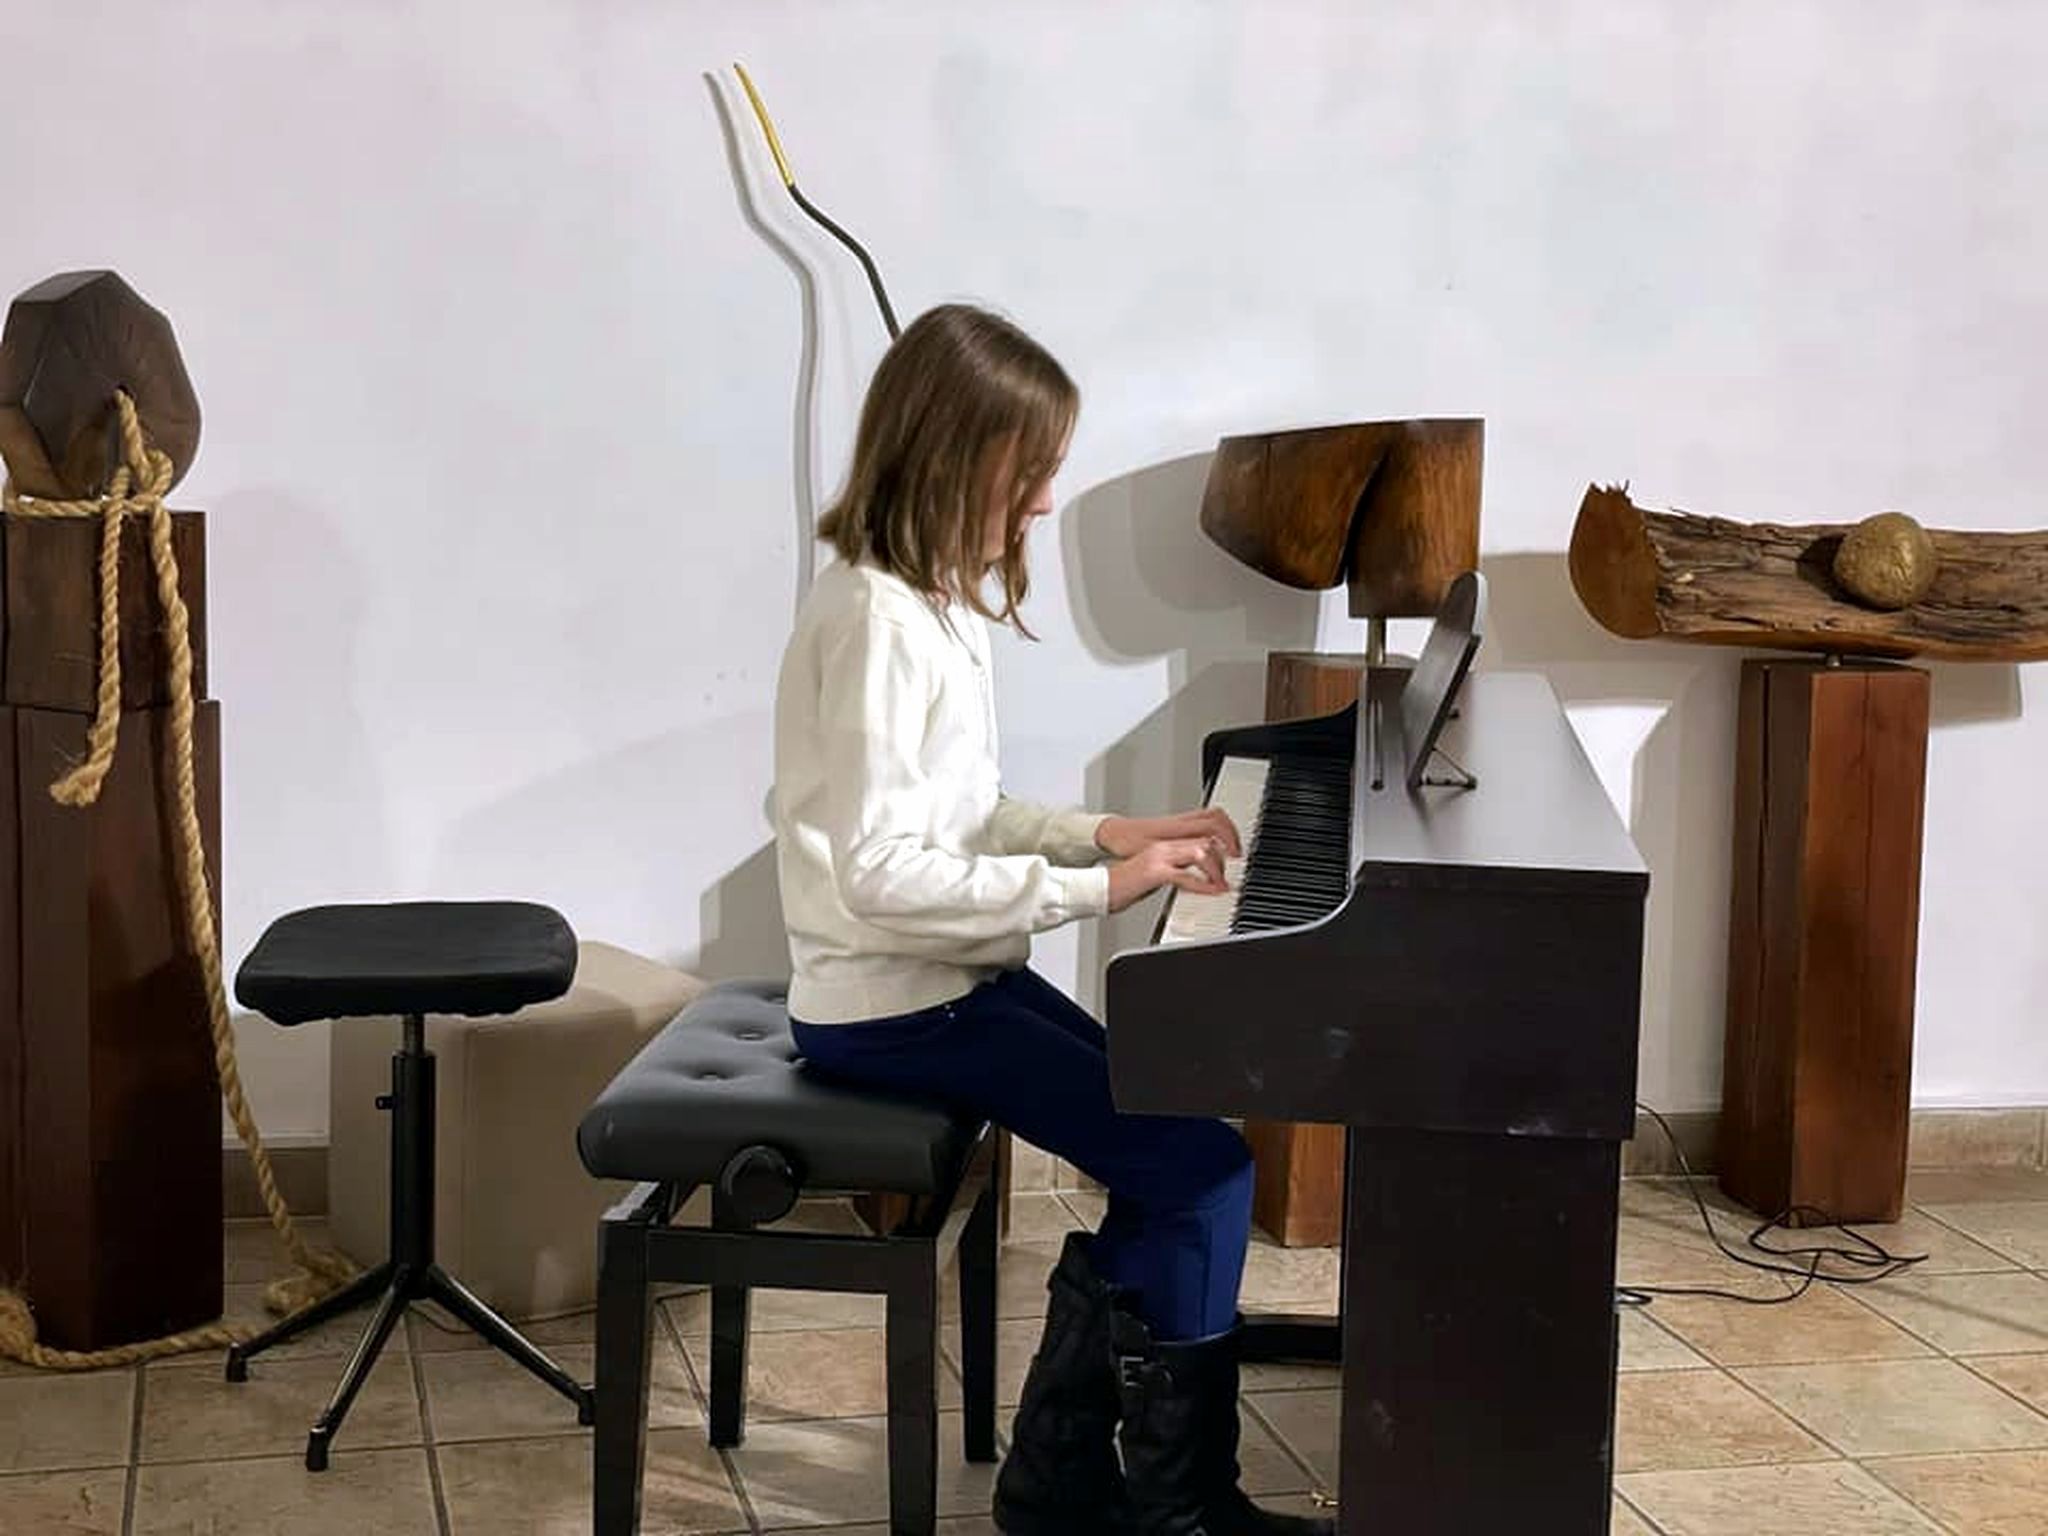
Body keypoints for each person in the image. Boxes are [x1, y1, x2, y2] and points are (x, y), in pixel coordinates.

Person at [771, 302, 1332, 1536]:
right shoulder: (875, 621)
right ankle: (1178, 1508)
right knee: (1201, 1167)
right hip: (892, 1006)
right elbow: (880, 875)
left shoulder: (932, 602)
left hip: (945, 981)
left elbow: (964, 813)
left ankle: (1063, 1478)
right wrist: (1096, 890)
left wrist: (1106, 832)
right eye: (1028, 471)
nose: (1040, 502)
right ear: (949, 454)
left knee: (1178, 1147)